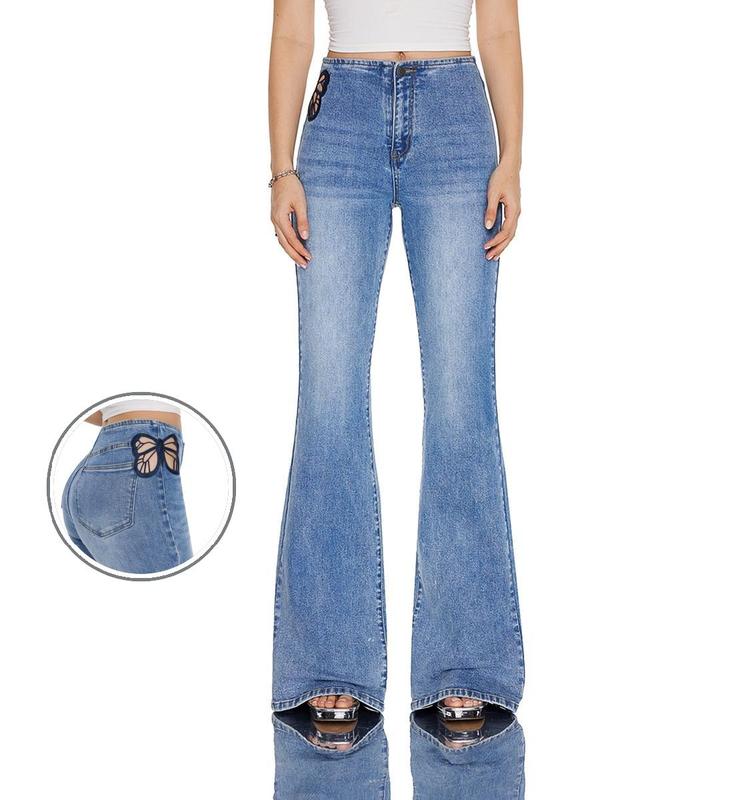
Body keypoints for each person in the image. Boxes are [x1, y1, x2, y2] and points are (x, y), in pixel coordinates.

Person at [269, 0, 525, 722]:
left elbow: (499, 25)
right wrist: (281, 169)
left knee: (461, 399)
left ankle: (466, 659)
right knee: (329, 400)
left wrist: (512, 156)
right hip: (339, 122)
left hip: (456, 118)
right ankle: (329, 660)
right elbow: (291, 29)